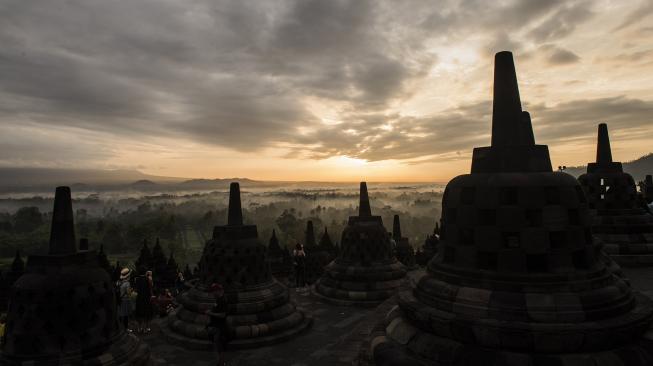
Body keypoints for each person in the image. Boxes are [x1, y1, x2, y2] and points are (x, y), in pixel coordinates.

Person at [205, 283, 228, 366]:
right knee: (217, 346)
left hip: (220, 327)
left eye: (213, 292)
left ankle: (221, 363)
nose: (212, 294)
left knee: (219, 346)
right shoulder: (218, 300)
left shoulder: (223, 301)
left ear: (217, 291)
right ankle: (220, 362)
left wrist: (210, 313)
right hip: (216, 326)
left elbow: (223, 315)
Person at [134, 269, 154, 334]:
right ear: (145, 272)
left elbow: (136, 289)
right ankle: (146, 328)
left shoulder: (137, 279)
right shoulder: (148, 279)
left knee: (139, 313)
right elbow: (150, 288)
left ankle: (139, 328)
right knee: (146, 313)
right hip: (146, 298)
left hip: (139, 298)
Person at [116, 268, 134, 332]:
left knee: (120, 314)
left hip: (119, 300)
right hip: (125, 300)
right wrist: (131, 290)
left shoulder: (118, 282)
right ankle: (126, 328)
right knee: (126, 315)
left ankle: (120, 327)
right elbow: (129, 293)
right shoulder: (127, 283)